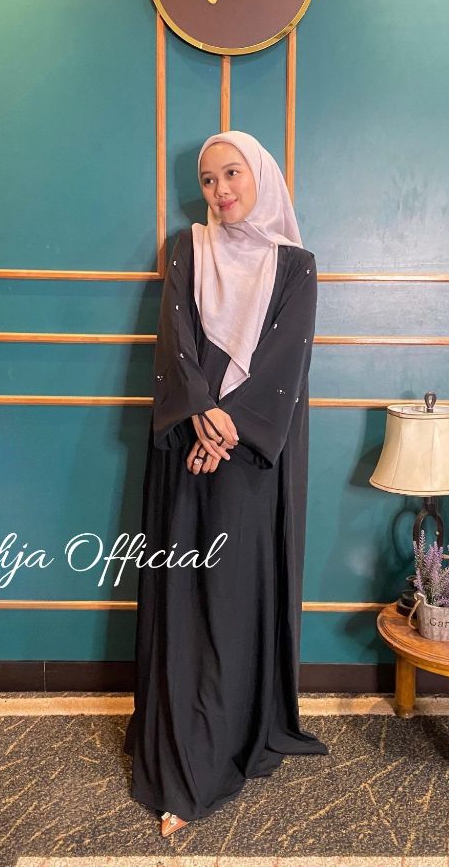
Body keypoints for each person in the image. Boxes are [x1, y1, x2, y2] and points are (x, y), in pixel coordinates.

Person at [122, 129, 329, 838]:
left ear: (260, 176)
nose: (219, 191)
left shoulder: (296, 266)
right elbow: (174, 341)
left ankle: (221, 746)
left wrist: (230, 429)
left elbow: (286, 363)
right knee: (185, 596)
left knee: (232, 600)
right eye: (208, 180)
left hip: (249, 461)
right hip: (187, 442)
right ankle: (181, 754)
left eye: (232, 174)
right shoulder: (188, 248)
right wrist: (201, 416)